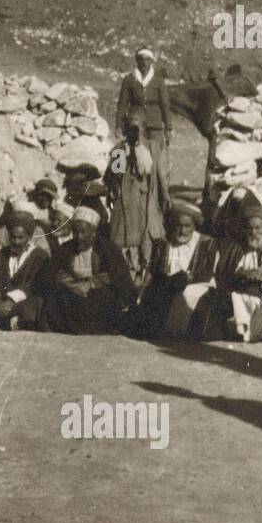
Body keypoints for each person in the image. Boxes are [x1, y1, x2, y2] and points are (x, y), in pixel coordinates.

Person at [193, 205, 262, 343]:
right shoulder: (241, 243)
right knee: (237, 295)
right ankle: (243, 331)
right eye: (250, 228)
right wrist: (245, 273)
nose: (254, 232)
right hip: (247, 283)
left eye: (258, 228)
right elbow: (230, 268)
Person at [125, 200, 220, 339]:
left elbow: (206, 272)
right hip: (169, 284)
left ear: (194, 226)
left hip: (199, 286)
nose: (183, 231)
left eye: (187, 226)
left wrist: (186, 280)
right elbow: (155, 270)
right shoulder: (163, 243)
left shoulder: (207, 243)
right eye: (179, 226)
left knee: (188, 294)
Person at [33, 206, 135, 334]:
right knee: (56, 298)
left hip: (97, 296)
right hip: (72, 294)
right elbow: (48, 274)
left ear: (93, 232)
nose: (78, 237)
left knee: (101, 301)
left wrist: (90, 284)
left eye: (83, 232)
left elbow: (119, 278)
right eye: (75, 232)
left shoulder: (108, 249)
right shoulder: (66, 248)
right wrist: (70, 284)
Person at [106, 107, 168, 287]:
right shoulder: (119, 149)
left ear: (143, 128)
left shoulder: (153, 148)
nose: (134, 131)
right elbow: (114, 179)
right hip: (124, 205)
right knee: (123, 244)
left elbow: (160, 177)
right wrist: (124, 156)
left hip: (145, 204)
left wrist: (164, 201)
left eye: (137, 127)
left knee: (147, 243)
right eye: (130, 127)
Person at [114, 47, 173, 192]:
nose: (144, 63)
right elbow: (122, 104)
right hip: (135, 125)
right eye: (141, 60)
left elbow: (165, 105)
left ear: (151, 62)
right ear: (137, 61)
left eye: (147, 60)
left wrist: (169, 128)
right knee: (125, 155)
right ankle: (119, 188)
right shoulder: (129, 80)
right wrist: (118, 125)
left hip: (155, 127)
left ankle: (161, 194)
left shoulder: (158, 80)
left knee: (158, 163)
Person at [0, 212, 51, 330]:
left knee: (32, 307)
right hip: (2, 301)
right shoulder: (2, 254)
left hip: (24, 301)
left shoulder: (40, 256)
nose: (16, 242)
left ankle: (11, 323)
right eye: (13, 237)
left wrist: (11, 301)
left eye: (20, 238)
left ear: (29, 237)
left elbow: (33, 285)